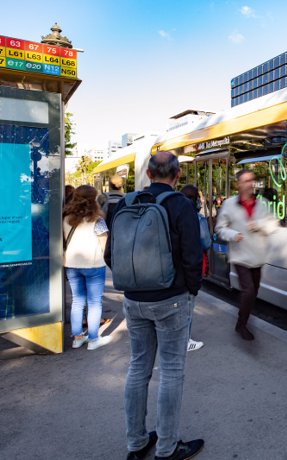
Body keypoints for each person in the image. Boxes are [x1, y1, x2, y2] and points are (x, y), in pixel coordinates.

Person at [105, 151, 204, 460]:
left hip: (133, 300)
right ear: (176, 176)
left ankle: (136, 444)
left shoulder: (127, 203)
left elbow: (111, 255)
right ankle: (167, 447)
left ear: (148, 173)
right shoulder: (180, 205)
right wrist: (191, 291)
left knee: (138, 368)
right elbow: (192, 255)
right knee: (172, 371)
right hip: (171, 300)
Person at [215, 169, 278, 341]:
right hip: (240, 255)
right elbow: (219, 229)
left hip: (258, 256)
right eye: (245, 181)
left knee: (253, 291)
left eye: (252, 180)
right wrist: (233, 235)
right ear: (238, 184)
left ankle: (243, 315)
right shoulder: (229, 204)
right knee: (249, 290)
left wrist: (258, 224)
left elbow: (273, 225)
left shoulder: (263, 204)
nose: (249, 184)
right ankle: (241, 325)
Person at [62, 185, 112, 351]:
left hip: (71, 264)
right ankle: (93, 339)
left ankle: (77, 338)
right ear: (93, 200)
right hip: (93, 265)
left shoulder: (66, 218)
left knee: (77, 301)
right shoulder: (97, 220)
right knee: (94, 302)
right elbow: (104, 244)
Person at [180, 184, 210, 352]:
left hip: (175, 267)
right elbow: (206, 242)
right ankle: (185, 341)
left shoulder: (171, 213)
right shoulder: (198, 218)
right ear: (196, 200)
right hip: (193, 266)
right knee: (189, 304)